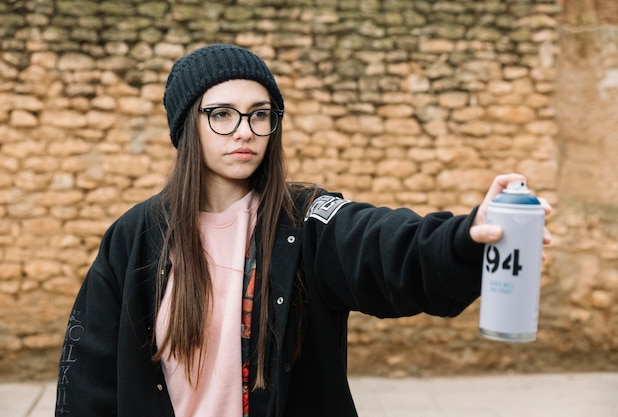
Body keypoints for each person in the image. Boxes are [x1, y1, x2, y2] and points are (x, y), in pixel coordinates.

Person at [55, 44, 551, 417]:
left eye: (259, 115)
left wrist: (466, 238)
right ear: (188, 127)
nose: (244, 130)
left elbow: (382, 243)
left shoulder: (306, 220)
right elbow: (89, 378)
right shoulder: (134, 236)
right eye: (222, 115)